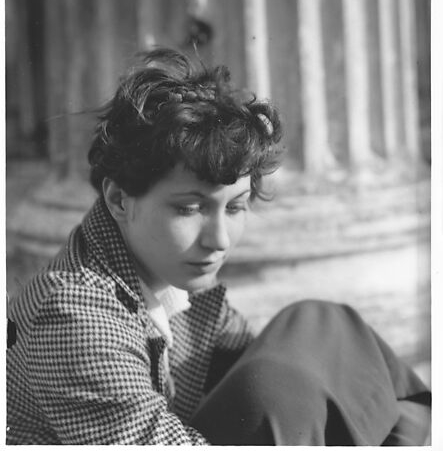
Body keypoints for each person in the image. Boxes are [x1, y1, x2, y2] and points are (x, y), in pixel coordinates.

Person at [7, 48, 431, 445]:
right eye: (189, 209)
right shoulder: (73, 317)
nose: (219, 240)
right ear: (119, 199)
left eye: (235, 207)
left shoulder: (173, 269)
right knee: (285, 389)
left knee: (319, 326)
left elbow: (249, 360)